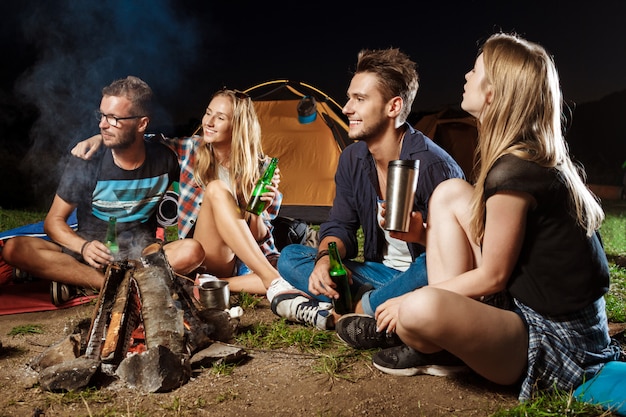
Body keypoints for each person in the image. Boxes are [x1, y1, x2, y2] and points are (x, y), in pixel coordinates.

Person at [342, 33, 622, 401]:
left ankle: (433, 340)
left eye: (474, 71)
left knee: (418, 309)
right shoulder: (522, 157)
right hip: (525, 310)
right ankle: (441, 342)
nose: (465, 77)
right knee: (450, 193)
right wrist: (422, 235)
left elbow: (493, 275)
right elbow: (500, 249)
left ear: (492, 93)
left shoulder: (514, 173)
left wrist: (411, 299)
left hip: (554, 341)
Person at [273, 48, 465, 330]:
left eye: (359, 99)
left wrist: (422, 234)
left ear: (393, 107)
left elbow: (457, 257)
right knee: (291, 257)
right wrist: (326, 259)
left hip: (426, 275)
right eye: (350, 98)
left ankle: (360, 307)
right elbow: (340, 225)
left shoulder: (433, 166)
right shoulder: (353, 159)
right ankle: (372, 306)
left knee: (427, 268)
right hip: (379, 276)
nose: (346, 108)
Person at [72, 88, 292, 300]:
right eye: (208, 113)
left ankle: (213, 283)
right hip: (206, 253)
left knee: (290, 277)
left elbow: (259, 235)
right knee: (216, 189)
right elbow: (142, 138)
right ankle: (270, 281)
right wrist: (100, 138)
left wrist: (255, 206)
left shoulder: (263, 170)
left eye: (220, 118)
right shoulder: (190, 151)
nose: (209, 122)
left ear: (238, 126)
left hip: (245, 260)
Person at [2, 76, 205, 304]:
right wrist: (84, 247)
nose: (103, 124)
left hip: (142, 254)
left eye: (114, 118)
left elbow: (206, 149)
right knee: (14, 249)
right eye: (102, 115)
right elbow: (53, 221)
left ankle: (83, 282)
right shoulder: (87, 160)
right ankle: (118, 284)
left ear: (141, 124)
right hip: (90, 255)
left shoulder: (167, 158)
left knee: (192, 251)